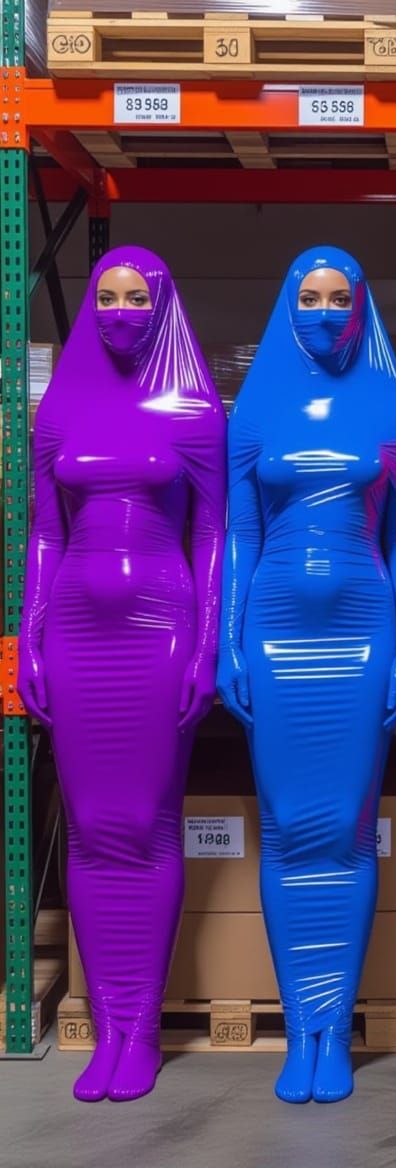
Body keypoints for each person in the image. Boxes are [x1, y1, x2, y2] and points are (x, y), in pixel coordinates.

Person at [20, 246, 226, 1102]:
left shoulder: (195, 410)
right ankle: (106, 1029)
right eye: (104, 296)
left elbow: (215, 535)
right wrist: (28, 638)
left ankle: (139, 1031)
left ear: (163, 303)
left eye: (135, 296)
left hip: (159, 631)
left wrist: (207, 644)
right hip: (73, 632)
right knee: (92, 823)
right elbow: (44, 533)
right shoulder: (58, 410)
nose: (117, 309)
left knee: (144, 822)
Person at [218, 247, 396, 1104]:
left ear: (361, 307)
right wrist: (227, 642)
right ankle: (298, 1030)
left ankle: (331, 1035)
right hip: (273, 634)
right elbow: (238, 538)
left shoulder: (390, 405)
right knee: (287, 822)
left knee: (343, 823)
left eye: (342, 297)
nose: (328, 311)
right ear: (288, 306)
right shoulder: (255, 407)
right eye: (311, 296)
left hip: (362, 632)